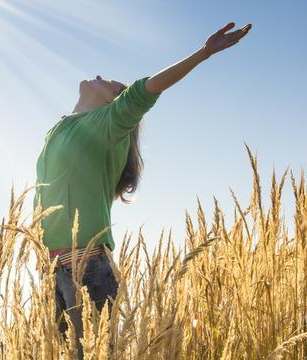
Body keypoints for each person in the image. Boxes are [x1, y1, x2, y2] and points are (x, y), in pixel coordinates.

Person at [33, 22, 251, 358]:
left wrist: (204, 53)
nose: (100, 75)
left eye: (108, 83)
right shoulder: (59, 129)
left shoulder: (107, 125)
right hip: (54, 271)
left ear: (113, 104)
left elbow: (146, 90)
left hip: (86, 270)